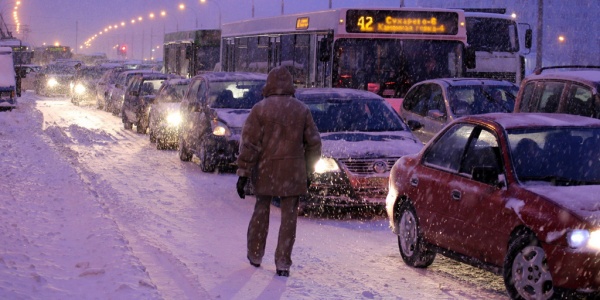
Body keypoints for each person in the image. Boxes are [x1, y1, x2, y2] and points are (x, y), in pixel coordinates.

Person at [236, 66, 322, 277]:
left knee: (261, 211)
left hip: (266, 169)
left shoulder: (260, 109)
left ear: (269, 84)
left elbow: (250, 144)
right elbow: (313, 143)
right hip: (292, 172)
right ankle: (283, 262)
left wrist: (243, 172)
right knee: (289, 218)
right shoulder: (301, 110)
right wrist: (309, 169)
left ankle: (255, 254)